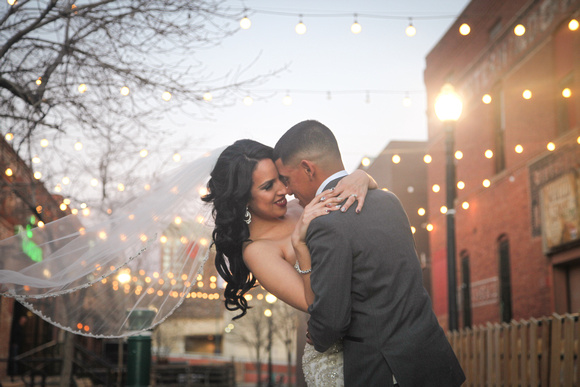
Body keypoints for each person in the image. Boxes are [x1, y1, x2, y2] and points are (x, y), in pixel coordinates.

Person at [274, 120, 466, 386]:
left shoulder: (325, 223)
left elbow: (332, 321)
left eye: (286, 179)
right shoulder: (390, 201)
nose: (286, 190)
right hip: (432, 362)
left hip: (385, 371)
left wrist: (317, 335)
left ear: (308, 168)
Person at [201, 139, 376, 385]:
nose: (283, 190)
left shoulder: (300, 204)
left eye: (280, 179)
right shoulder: (257, 251)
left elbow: (355, 203)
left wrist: (362, 177)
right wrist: (300, 245)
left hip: (376, 330)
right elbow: (315, 305)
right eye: (267, 186)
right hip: (338, 356)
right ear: (243, 200)